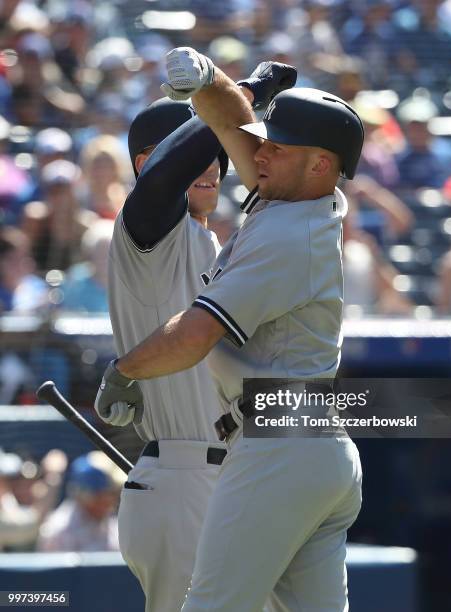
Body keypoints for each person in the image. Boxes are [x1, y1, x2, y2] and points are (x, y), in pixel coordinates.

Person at [95, 47, 363, 611]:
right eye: (262, 141)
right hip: (303, 449)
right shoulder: (289, 194)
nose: (257, 153)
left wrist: (123, 371)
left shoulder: (290, 235)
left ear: (319, 164)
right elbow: (229, 122)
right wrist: (213, 79)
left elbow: (195, 335)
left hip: (277, 446)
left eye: (276, 146)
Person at [37, 453, 120, 552]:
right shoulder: (58, 531)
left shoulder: (113, 522)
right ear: (88, 496)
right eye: (108, 493)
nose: (114, 499)